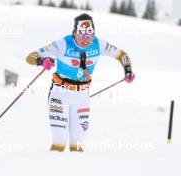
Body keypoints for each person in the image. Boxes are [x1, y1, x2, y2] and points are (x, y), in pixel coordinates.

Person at [26, 13, 135, 152]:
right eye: (81, 35)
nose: (85, 40)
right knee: (59, 142)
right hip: (60, 94)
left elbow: (122, 55)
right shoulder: (63, 43)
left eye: (89, 35)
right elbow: (30, 57)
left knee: (77, 145)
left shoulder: (99, 44)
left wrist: (128, 70)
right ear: (74, 33)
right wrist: (42, 61)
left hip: (82, 97)